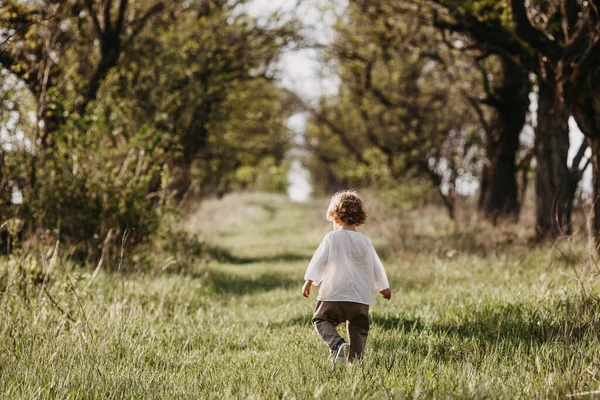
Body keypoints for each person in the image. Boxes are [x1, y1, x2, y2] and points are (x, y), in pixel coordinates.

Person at [302, 190, 391, 364]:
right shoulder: (366, 241)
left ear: (335, 218)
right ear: (359, 219)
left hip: (335, 293)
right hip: (360, 297)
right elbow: (376, 266)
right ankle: (354, 362)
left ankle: (337, 345)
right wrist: (383, 287)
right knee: (359, 329)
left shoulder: (332, 238)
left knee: (321, 319)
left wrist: (309, 281)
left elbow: (318, 261)